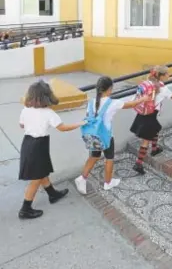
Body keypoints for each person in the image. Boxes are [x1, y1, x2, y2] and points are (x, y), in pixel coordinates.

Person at [18, 80, 85, 219]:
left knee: (42, 172)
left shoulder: (25, 109)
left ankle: (52, 194)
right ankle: (25, 209)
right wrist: (80, 123)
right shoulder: (49, 113)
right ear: (47, 96)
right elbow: (62, 128)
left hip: (27, 143)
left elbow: (21, 125)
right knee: (36, 179)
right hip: (39, 145)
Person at [74, 77, 152, 195]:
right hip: (106, 137)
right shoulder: (113, 103)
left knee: (94, 156)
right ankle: (108, 182)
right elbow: (131, 104)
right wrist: (144, 98)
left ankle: (82, 178)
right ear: (109, 89)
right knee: (109, 159)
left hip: (93, 135)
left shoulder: (91, 102)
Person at [130, 66, 172, 175]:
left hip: (143, 113)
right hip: (150, 115)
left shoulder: (148, 82)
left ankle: (155, 149)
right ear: (161, 75)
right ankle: (138, 163)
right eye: (167, 74)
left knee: (156, 129)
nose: (169, 76)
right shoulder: (162, 88)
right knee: (146, 140)